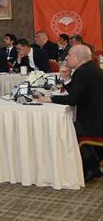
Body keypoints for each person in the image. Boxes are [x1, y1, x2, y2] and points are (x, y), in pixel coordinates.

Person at [36, 45, 103, 181]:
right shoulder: (90, 69)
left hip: (95, 123)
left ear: (78, 58)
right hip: (96, 118)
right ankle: (93, 162)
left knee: (65, 128)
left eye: (69, 55)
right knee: (69, 124)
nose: (66, 57)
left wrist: (51, 98)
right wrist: (66, 78)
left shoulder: (83, 72)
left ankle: (91, 167)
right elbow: (77, 93)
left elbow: (72, 99)